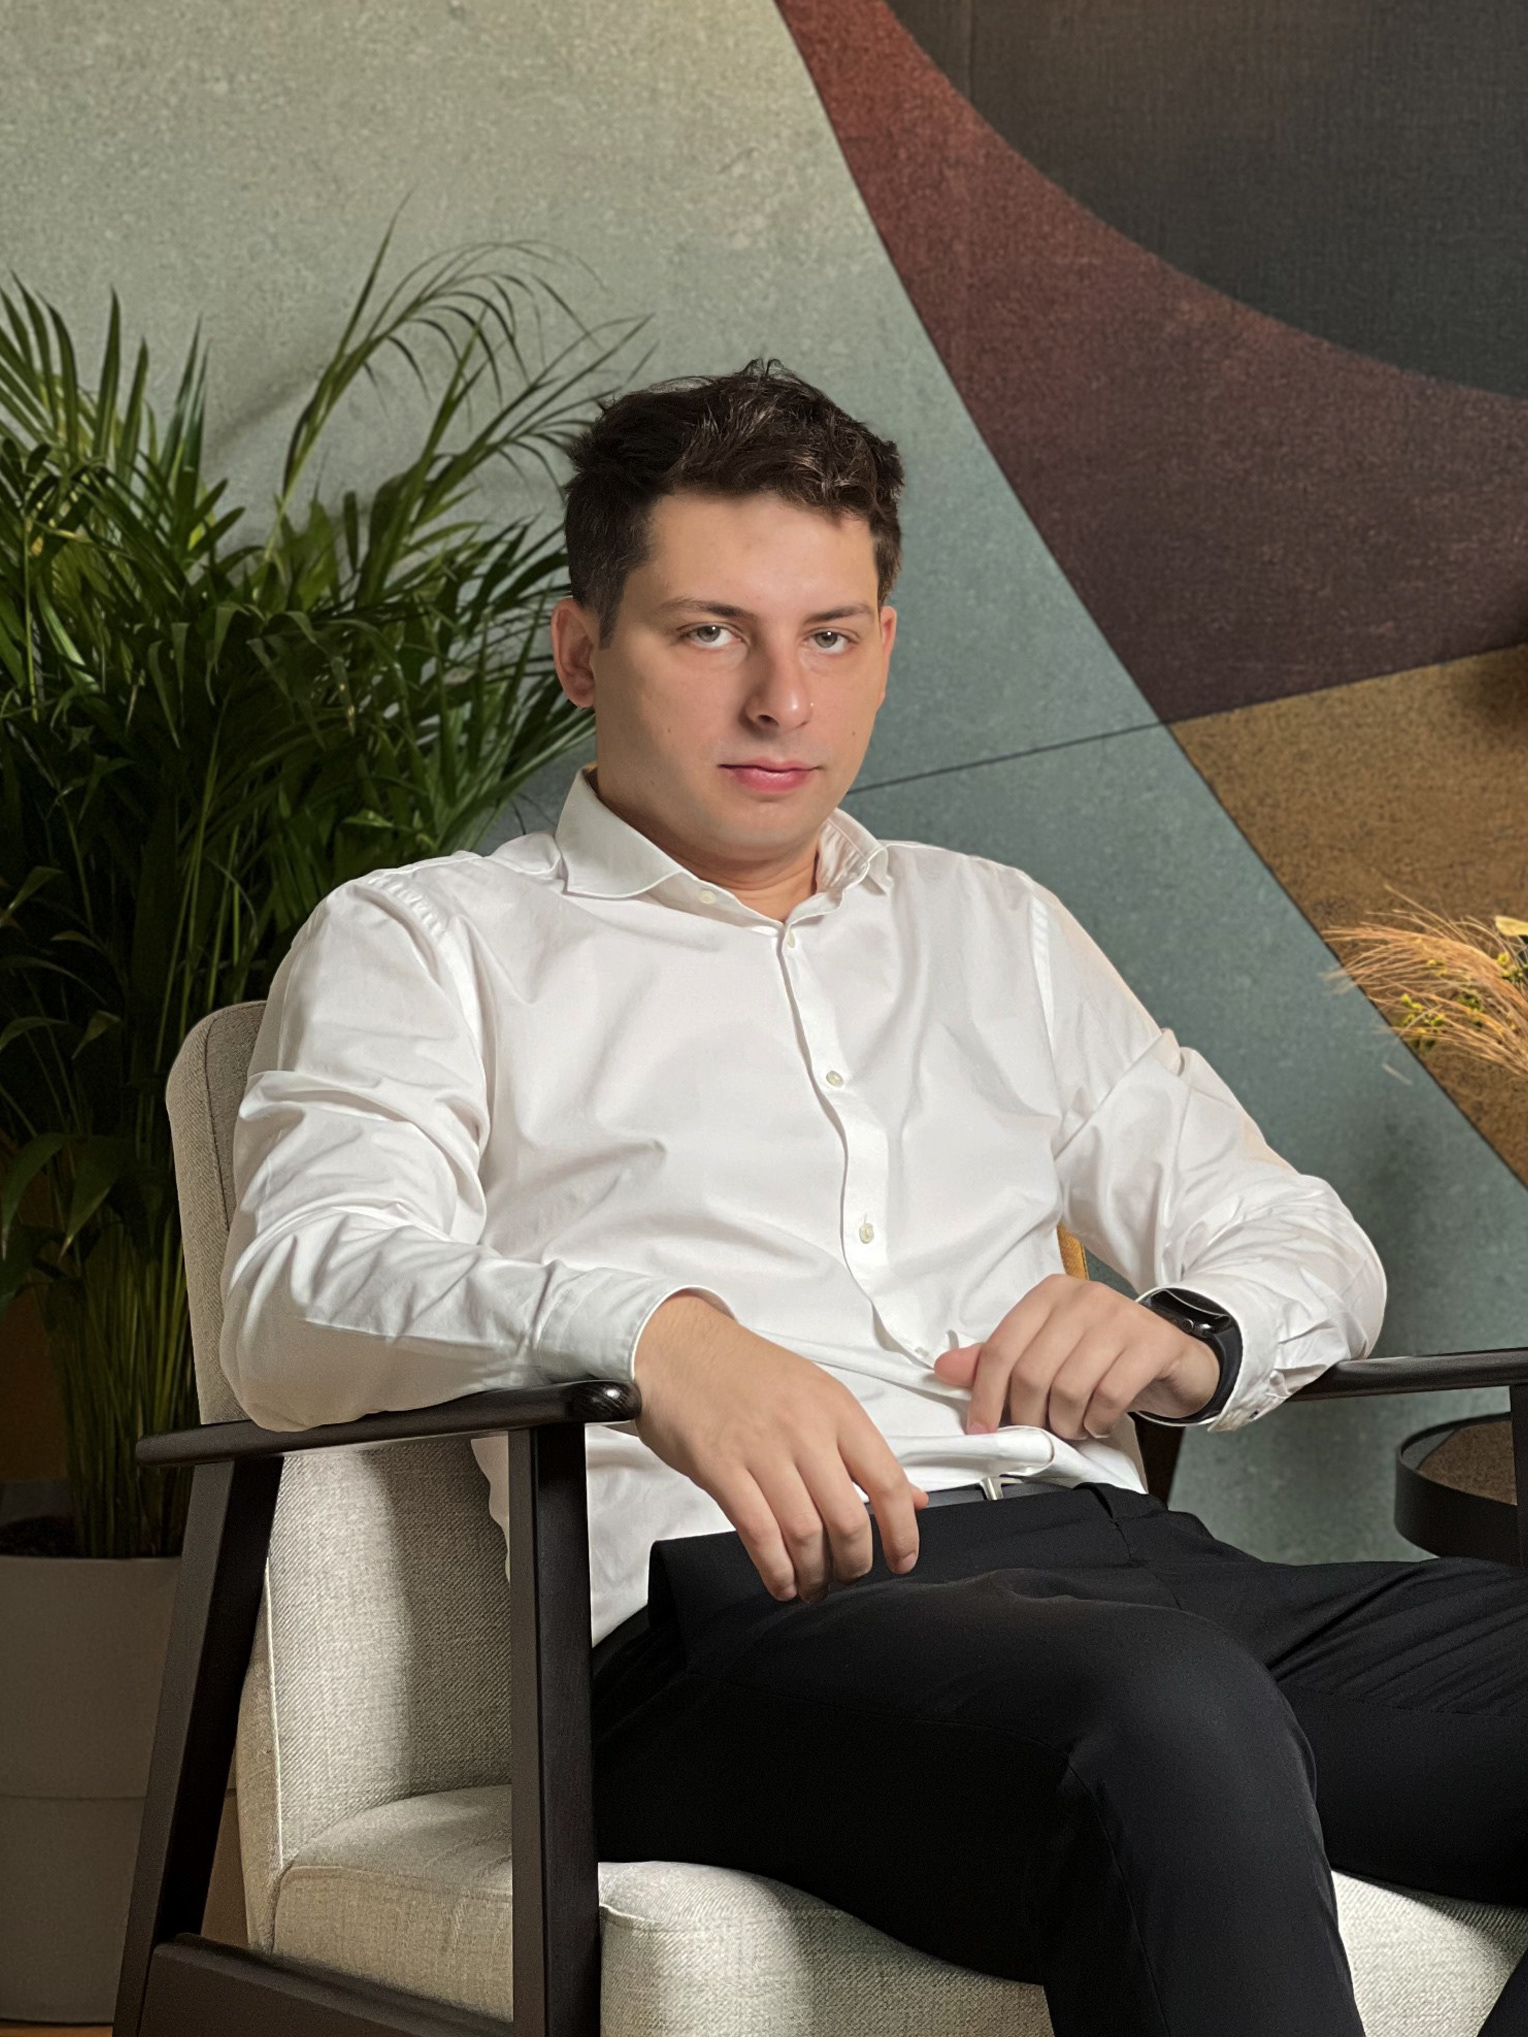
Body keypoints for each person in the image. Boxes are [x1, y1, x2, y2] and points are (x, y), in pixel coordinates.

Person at [220, 360, 1528, 2036]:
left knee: (1180, 1682)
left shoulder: (996, 928)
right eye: (710, 632)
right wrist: (655, 1330)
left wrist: (1188, 1330)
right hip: (734, 1628)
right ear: (580, 650)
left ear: (886, 648)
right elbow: (298, 1288)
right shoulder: (431, 941)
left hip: (1133, 1570)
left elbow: (1305, 1240)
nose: (783, 699)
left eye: (830, 637)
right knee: (1167, 1708)